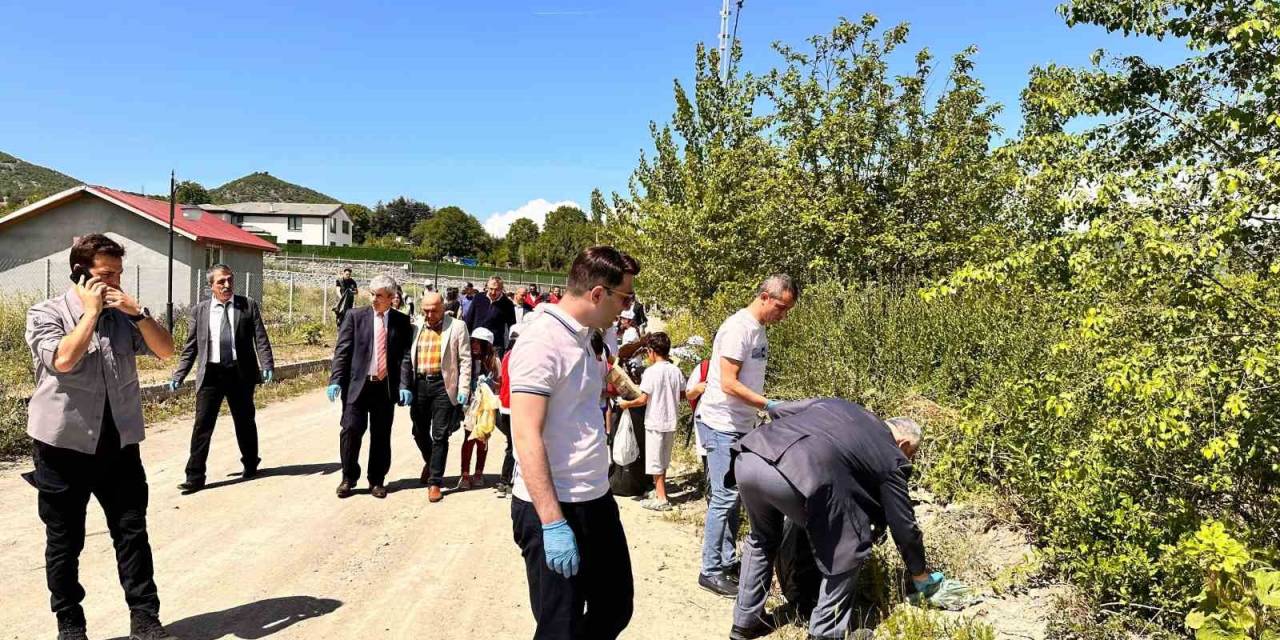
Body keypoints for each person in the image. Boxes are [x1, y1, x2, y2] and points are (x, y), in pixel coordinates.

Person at [24, 233, 178, 640]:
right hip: (63, 447)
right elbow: (63, 359)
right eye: (107, 275)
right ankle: (70, 624)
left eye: (119, 274)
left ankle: (145, 618)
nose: (115, 282)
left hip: (119, 445)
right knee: (64, 541)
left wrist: (139, 313)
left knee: (132, 533)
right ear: (81, 273)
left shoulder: (125, 317)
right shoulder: (46, 313)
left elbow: (166, 351)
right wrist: (90, 314)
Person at [509, 245, 640, 639]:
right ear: (598, 293)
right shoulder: (541, 341)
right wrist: (552, 522)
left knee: (615, 606)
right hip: (553, 505)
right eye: (624, 298)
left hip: (594, 498)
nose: (627, 307)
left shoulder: (588, 337)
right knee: (559, 627)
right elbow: (525, 433)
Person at [729, 401, 944, 640]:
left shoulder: (841, 406)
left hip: (750, 456)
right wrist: (919, 574)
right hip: (795, 477)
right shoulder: (891, 454)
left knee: (762, 539)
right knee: (849, 546)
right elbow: (903, 525)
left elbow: (778, 410)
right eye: (909, 455)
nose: (906, 460)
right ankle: (825, 634)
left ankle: (745, 623)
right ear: (903, 444)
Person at [696, 274, 800, 597]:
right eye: (781, 308)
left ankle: (726, 561)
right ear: (765, 297)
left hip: (741, 425)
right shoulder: (738, 329)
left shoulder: (759, 331)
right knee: (724, 497)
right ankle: (710, 570)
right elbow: (728, 383)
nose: (782, 316)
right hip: (721, 424)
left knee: (735, 496)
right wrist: (769, 404)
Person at [169, 264, 275, 493]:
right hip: (211, 375)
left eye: (229, 280)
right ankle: (194, 476)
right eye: (221, 282)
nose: (227, 285)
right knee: (202, 425)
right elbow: (191, 347)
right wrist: (179, 374)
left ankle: (250, 463)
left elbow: (261, 338)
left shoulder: (247, 306)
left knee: (245, 421)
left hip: (240, 373)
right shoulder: (200, 311)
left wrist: (267, 364)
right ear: (211, 286)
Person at [326, 274, 415, 500]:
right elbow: (342, 352)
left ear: (392, 298)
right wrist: (336, 379)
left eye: (380, 296)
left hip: (384, 388)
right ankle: (348, 477)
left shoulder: (401, 322)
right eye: (372, 294)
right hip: (358, 385)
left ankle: (376, 480)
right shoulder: (354, 317)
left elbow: (404, 357)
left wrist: (405, 384)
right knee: (350, 430)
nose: (374, 299)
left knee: (381, 435)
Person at [408, 291, 472, 503]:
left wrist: (463, 389)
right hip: (419, 385)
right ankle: (430, 460)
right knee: (418, 430)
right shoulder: (416, 325)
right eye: (425, 310)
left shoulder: (457, 326)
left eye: (433, 310)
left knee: (440, 434)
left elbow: (465, 360)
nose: (428, 314)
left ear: (443, 307)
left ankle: (435, 481)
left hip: (443, 386)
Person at [615, 332, 684, 511]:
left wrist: (626, 404)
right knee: (663, 459)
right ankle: (659, 491)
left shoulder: (651, 372)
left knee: (655, 460)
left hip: (655, 420)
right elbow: (682, 394)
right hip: (671, 420)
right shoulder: (675, 370)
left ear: (651, 351)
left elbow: (643, 399)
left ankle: (661, 498)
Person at [457, 327, 501, 490]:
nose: (474, 344)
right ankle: (465, 474)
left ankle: (479, 473)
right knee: (468, 438)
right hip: (470, 405)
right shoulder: (467, 359)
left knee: (482, 439)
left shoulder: (493, 361)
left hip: (486, 406)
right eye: (472, 341)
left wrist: (490, 384)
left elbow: (500, 383)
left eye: (478, 342)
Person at [494, 325, 521, 499]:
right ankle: (508, 482)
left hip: (505, 407)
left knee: (511, 445)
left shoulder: (506, 356)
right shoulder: (519, 356)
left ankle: (505, 481)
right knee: (515, 447)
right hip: (514, 407)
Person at [462, 276, 517, 355]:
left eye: (497, 289)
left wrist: (510, 346)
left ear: (502, 289)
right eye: (491, 289)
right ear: (487, 287)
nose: (493, 292)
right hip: (476, 343)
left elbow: (512, 326)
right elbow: (469, 319)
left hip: (495, 346)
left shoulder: (507, 304)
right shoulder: (478, 298)